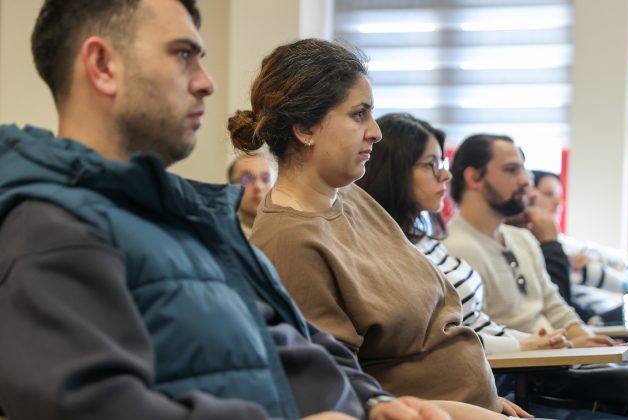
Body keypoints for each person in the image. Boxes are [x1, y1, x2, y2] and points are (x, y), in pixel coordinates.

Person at [0, 1, 452, 419]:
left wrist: (373, 402)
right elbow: (97, 407)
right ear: (102, 66)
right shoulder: (47, 228)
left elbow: (298, 338)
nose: (206, 81)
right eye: (182, 55)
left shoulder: (187, 218)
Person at [232, 38, 524, 419]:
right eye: (359, 115)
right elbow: (341, 390)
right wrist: (471, 411)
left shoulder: (351, 197)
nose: (375, 132)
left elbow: (432, 336)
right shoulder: (290, 241)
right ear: (305, 127)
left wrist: (486, 400)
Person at [356, 113, 628, 420]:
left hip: (531, 366)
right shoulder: (425, 248)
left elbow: (490, 319)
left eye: (442, 162)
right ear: (397, 172)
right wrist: (528, 344)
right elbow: (444, 341)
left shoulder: (432, 243)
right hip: (519, 378)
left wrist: (563, 337)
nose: (445, 173)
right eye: (432, 164)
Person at [443, 134, 628, 420]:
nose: (525, 180)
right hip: (539, 372)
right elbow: (480, 334)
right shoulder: (453, 248)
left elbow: (554, 302)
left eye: (523, 169)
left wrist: (582, 335)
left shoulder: (521, 239)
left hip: (572, 358)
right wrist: (566, 345)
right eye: (512, 170)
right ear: (474, 177)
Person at [530, 170, 628, 326]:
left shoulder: (567, 243)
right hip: (593, 318)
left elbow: (623, 260)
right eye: (549, 194)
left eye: (559, 195)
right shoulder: (539, 245)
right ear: (530, 197)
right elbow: (622, 279)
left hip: (607, 309)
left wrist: (595, 258)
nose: (558, 202)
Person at [227, 152, 275, 237]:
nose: (258, 187)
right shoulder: (223, 236)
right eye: (246, 179)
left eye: (265, 179)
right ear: (231, 188)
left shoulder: (289, 232)